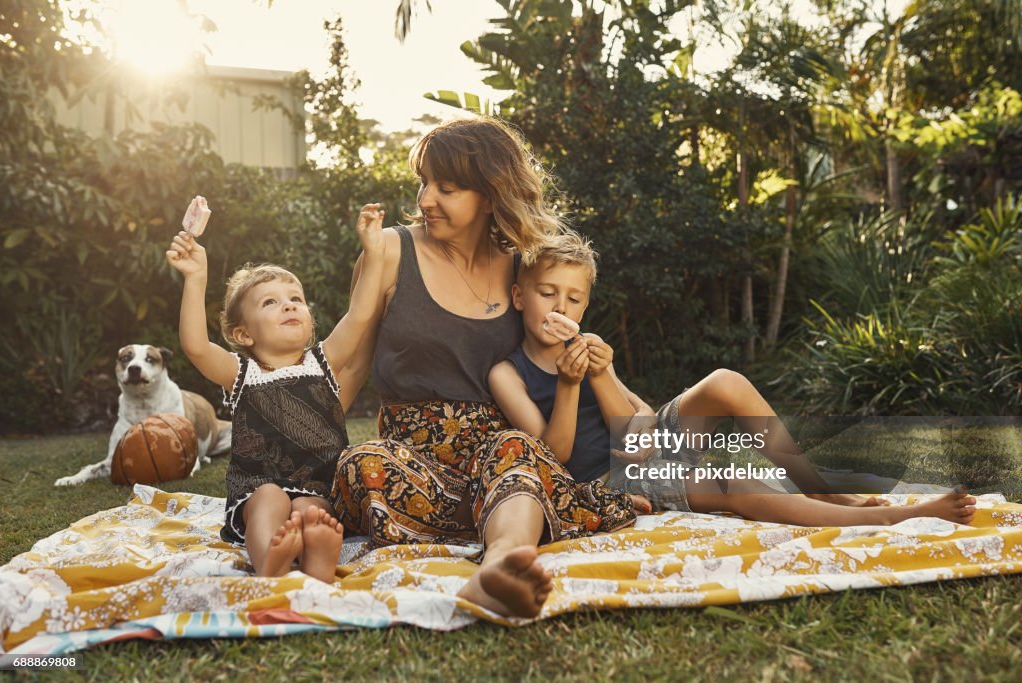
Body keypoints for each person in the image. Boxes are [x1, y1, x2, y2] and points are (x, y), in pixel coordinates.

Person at [331, 118, 644, 619]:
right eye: (424, 183)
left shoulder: (524, 263)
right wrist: (299, 463)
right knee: (360, 460)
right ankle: (517, 526)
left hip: (503, 469)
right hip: (412, 476)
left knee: (516, 449)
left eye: (446, 188)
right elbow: (349, 369)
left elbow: (550, 357)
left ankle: (498, 566)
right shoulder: (389, 251)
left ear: (490, 195)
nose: (425, 199)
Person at [488, 231, 978, 527]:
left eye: (573, 299)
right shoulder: (508, 373)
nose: (560, 307)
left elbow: (634, 414)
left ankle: (821, 487)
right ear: (518, 296)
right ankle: (886, 518)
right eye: (547, 292)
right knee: (736, 484)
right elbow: (552, 457)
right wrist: (572, 386)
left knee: (725, 379)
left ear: (586, 305)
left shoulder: (589, 349)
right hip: (610, 479)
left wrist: (610, 388)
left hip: (641, 448)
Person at [165, 202, 387, 583]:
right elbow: (196, 347)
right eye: (271, 302)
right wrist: (195, 278)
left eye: (295, 299)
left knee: (311, 510)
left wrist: (373, 251)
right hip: (256, 489)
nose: (288, 304)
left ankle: (318, 558)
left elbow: (361, 314)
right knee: (269, 497)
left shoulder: (324, 361)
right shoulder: (241, 373)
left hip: (320, 487)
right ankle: (270, 558)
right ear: (243, 334)